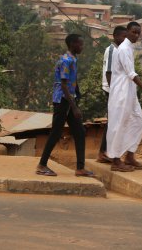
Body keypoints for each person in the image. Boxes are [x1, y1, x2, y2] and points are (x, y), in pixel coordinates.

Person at [36, 33, 94, 177]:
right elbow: (63, 84)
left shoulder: (73, 59)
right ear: (73, 44)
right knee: (56, 133)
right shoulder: (66, 60)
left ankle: (80, 168)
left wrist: (77, 92)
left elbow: (71, 80)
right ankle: (42, 165)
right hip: (62, 100)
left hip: (69, 99)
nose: (82, 47)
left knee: (79, 132)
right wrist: (74, 107)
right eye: (80, 44)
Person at [106, 21, 142, 172]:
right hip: (121, 92)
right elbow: (131, 73)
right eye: (133, 32)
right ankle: (115, 160)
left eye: (138, 33)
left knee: (139, 122)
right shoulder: (123, 49)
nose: (136, 35)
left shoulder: (130, 48)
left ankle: (129, 155)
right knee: (119, 125)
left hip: (130, 92)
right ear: (127, 32)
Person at [96, 25, 128, 164]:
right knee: (112, 122)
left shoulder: (118, 50)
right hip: (110, 89)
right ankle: (104, 152)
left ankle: (106, 151)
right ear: (115, 36)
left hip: (114, 89)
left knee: (114, 122)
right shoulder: (112, 50)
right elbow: (109, 72)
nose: (124, 39)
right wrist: (114, 90)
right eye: (123, 36)